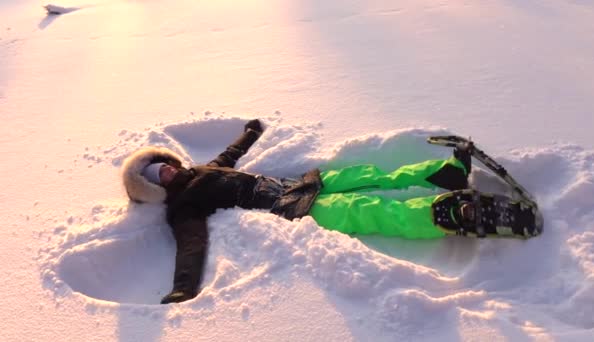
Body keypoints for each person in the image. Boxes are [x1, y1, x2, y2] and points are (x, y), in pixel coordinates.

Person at [122, 119, 472, 304]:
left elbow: (229, 158)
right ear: (155, 187)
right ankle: (441, 216)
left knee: (363, 175)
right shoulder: (182, 205)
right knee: (362, 210)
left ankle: (444, 175)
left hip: (293, 185)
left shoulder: (201, 170)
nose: (165, 172)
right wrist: (183, 288)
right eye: (156, 176)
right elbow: (190, 244)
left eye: (162, 166)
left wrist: (249, 134)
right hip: (288, 206)